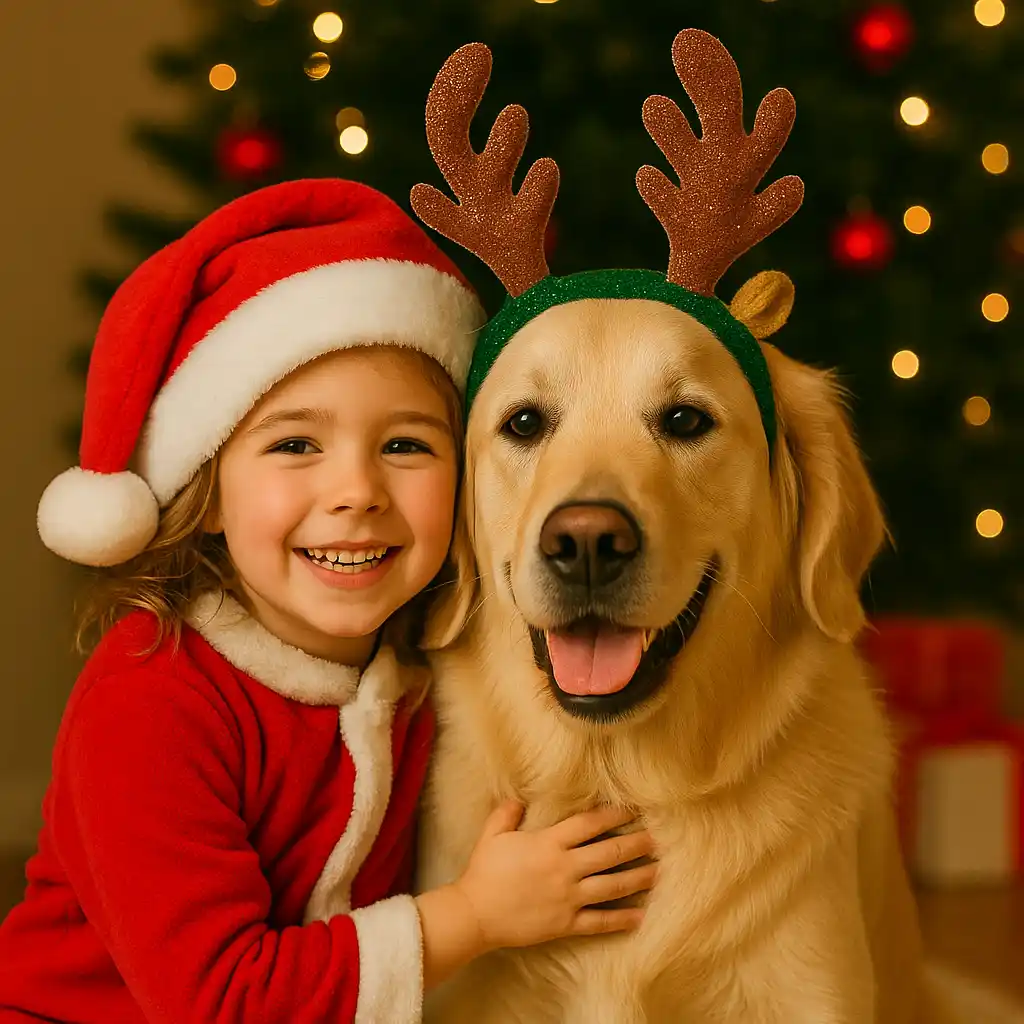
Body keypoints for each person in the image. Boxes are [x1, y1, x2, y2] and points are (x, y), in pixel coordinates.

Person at [0, 179, 655, 1022]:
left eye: (406, 444)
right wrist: (474, 918)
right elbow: (221, 1001)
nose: (357, 491)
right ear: (208, 489)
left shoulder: (423, 669)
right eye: (296, 445)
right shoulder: (150, 700)